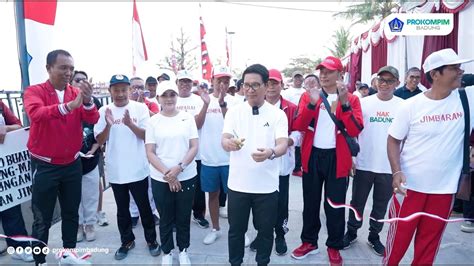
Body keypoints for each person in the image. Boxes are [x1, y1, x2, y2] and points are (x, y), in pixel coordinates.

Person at [384, 49, 474, 265]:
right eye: (454, 68)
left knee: (428, 249)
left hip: (444, 191)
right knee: (396, 245)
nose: (460, 71)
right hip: (410, 189)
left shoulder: (467, 99)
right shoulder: (410, 106)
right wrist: (396, 171)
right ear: (435, 74)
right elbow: (393, 140)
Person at [23, 49, 99, 265]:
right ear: (49, 68)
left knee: (71, 212)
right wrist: (67, 107)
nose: (68, 72)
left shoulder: (75, 92)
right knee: (41, 218)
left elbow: (91, 118)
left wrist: (88, 100)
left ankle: (68, 254)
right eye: (63, 67)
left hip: (72, 163)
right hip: (45, 165)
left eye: (71, 68)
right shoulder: (33, 91)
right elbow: (36, 114)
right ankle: (40, 261)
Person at [291, 56, 363, 266]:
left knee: (335, 205)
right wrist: (312, 104)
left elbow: (354, 129)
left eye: (329, 71)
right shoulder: (309, 96)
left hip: (337, 158)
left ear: (340, 74)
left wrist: (345, 103)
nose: (323, 75)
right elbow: (299, 124)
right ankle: (309, 242)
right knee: (310, 203)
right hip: (313, 156)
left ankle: (334, 245)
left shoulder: (351, 98)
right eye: (321, 71)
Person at [222, 64, 288, 266]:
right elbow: (224, 139)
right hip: (238, 186)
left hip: (266, 187)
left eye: (255, 85)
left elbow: (283, 145)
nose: (250, 90)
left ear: (266, 85)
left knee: (266, 231)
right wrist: (228, 144)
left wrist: (271, 153)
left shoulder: (277, 114)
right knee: (236, 232)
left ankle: (262, 262)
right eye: (246, 85)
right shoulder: (234, 112)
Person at [94, 74, 160, 260]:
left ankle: (151, 241)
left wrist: (130, 124)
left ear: (129, 90)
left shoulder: (140, 108)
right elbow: (99, 140)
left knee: (144, 207)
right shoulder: (104, 110)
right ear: (110, 91)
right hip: (116, 170)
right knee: (122, 210)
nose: (120, 94)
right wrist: (108, 126)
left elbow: (147, 136)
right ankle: (126, 241)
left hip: (138, 168)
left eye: (124, 89)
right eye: (116, 90)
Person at [343, 66, 403, 256]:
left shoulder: (403, 105)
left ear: (397, 84)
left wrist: (400, 168)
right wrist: (352, 157)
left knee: (380, 205)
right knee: (357, 202)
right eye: (381, 80)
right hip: (364, 163)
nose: (385, 84)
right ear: (376, 82)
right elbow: (353, 132)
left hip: (387, 166)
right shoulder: (363, 103)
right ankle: (351, 232)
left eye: (390, 81)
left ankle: (374, 236)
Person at [145, 81, 199, 265]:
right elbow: (150, 151)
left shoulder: (187, 117)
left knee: (183, 216)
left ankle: (183, 250)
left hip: (186, 174)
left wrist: (179, 168)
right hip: (161, 177)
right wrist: (168, 174)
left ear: (176, 96)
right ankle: (167, 252)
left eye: (172, 94)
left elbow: (194, 147)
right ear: (158, 98)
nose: (168, 99)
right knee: (165, 217)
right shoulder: (152, 121)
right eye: (164, 95)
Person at [249, 68, 300, 256]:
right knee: (258, 203)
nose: (271, 87)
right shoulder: (253, 106)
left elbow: (298, 132)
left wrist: (287, 141)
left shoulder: (290, 107)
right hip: (259, 164)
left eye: (275, 83)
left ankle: (280, 235)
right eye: (268, 83)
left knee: (280, 203)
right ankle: (262, 234)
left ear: (281, 85)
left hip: (281, 166)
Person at [198, 66, 236, 245]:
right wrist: (206, 104)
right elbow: (197, 125)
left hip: (230, 159)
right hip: (209, 159)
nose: (222, 84)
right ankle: (215, 228)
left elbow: (234, 125)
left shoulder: (236, 102)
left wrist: (222, 104)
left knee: (235, 197)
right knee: (212, 195)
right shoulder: (202, 100)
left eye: (226, 81)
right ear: (212, 80)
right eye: (219, 80)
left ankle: (238, 230)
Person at [175, 70, 210, 229]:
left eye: (188, 81)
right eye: (181, 81)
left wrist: (205, 105)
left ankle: (198, 214)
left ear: (192, 84)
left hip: (196, 151)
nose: (184, 84)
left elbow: (198, 125)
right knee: (176, 184)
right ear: (177, 83)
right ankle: (177, 216)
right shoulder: (171, 99)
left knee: (197, 187)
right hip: (174, 152)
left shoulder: (198, 100)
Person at [0, 102, 34, 262]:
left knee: (10, 209)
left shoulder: (0, 104)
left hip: (3, 168)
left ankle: (20, 247)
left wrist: (5, 128)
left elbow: (18, 125)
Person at [71, 71, 102, 243]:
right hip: (69, 160)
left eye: (84, 80)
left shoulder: (94, 102)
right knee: (73, 195)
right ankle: (77, 225)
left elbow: (101, 127)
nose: (81, 83)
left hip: (90, 156)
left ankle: (90, 224)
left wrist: (96, 146)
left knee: (90, 193)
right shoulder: (66, 102)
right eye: (77, 80)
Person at [129, 77, 160, 228]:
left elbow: (158, 120)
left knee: (148, 184)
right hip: (130, 150)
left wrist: (142, 107)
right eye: (134, 87)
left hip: (149, 150)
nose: (137, 91)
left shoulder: (151, 104)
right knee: (131, 184)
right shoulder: (124, 105)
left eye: (140, 87)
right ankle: (134, 213)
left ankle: (152, 211)